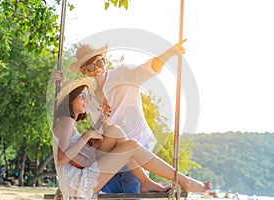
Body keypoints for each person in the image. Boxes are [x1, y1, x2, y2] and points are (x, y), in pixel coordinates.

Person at [53, 41, 187, 194]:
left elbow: (149, 69)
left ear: (104, 61)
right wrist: (60, 85)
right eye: (91, 67)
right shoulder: (88, 97)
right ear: (84, 71)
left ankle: (153, 182)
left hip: (135, 153)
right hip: (109, 158)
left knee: (134, 193)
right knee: (109, 196)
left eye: (99, 62)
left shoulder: (124, 74)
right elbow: (67, 104)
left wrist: (169, 53)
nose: (97, 68)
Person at [52, 77, 212, 199]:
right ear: (70, 98)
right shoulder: (66, 121)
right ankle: (182, 180)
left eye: (88, 96)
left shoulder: (68, 122)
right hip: (77, 183)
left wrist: (98, 128)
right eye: (82, 96)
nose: (87, 100)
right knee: (132, 146)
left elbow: (79, 155)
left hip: (79, 177)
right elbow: (61, 159)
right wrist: (87, 135)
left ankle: (146, 182)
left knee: (115, 130)